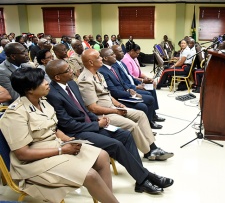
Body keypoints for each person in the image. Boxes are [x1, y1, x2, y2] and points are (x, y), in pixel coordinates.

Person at [45, 59, 174, 194]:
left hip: (90, 124)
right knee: (115, 144)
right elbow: (68, 124)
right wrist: (96, 124)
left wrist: (97, 120)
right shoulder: (52, 94)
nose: (72, 71)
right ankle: (146, 177)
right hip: (77, 133)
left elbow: (84, 109)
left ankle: (141, 179)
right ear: (57, 77)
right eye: (67, 70)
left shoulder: (71, 84)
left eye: (70, 68)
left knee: (126, 135)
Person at [0, 67, 118, 203]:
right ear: (29, 90)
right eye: (41, 81)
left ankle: (107, 199)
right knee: (89, 174)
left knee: (102, 156)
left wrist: (67, 139)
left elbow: (53, 128)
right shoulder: (15, 114)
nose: (46, 83)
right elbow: (22, 154)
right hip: (33, 162)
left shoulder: (43, 102)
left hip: (56, 146)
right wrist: (62, 150)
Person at [82, 48, 173, 159]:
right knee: (132, 125)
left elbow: (107, 94)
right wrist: (116, 110)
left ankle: (152, 147)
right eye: (98, 57)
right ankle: (149, 151)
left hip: (113, 107)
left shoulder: (98, 74)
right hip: (103, 115)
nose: (101, 58)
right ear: (91, 62)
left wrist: (120, 105)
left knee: (140, 115)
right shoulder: (85, 80)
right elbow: (93, 108)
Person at [99, 48, 164, 129]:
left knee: (150, 96)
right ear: (105, 58)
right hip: (119, 98)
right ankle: (147, 126)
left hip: (126, 91)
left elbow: (123, 82)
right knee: (144, 104)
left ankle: (150, 120)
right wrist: (130, 93)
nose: (114, 55)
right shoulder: (103, 71)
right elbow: (114, 92)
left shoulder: (113, 67)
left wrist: (130, 89)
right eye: (112, 54)